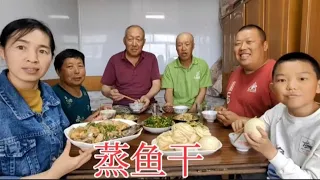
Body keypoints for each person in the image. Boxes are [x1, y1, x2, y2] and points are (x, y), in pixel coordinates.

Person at [0, 18, 94, 178]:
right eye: (21, 47)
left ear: (50, 57)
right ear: (2, 52)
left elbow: (64, 138)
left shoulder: (49, 94)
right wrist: (52, 174)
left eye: (42, 51)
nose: (33, 58)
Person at [232, 52, 320, 179]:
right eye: (282, 80)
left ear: (318, 86)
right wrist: (245, 125)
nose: (291, 86)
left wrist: (271, 153)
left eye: (302, 79)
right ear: (272, 89)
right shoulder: (278, 110)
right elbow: (258, 128)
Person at [216, 24, 278, 126]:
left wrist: (240, 120)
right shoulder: (235, 73)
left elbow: (284, 123)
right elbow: (230, 104)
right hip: (232, 138)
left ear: (265, 45)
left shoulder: (277, 74)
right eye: (237, 44)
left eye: (249, 42)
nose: (242, 47)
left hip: (259, 141)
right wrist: (223, 111)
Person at [101, 25, 161, 113]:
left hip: (148, 104)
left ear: (143, 42)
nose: (134, 44)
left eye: (138, 39)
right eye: (130, 39)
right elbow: (104, 88)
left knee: (158, 123)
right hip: (121, 106)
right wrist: (110, 93)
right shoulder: (114, 60)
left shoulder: (151, 58)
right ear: (124, 41)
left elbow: (156, 84)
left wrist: (147, 96)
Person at [162, 32, 212, 113]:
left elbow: (203, 91)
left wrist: (191, 113)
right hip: (177, 110)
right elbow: (169, 91)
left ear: (193, 46)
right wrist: (169, 104)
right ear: (176, 48)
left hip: (197, 109)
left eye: (187, 44)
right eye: (179, 45)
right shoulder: (170, 68)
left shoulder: (202, 65)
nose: (183, 48)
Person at [52, 49, 101, 125]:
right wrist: (85, 124)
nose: (77, 71)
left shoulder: (83, 90)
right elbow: (55, 132)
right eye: (70, 67)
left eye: (80, 66)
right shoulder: (53, 96)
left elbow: (86, 115)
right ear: (58, 71)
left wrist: (99, 112)